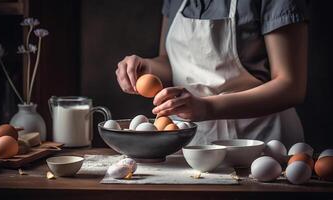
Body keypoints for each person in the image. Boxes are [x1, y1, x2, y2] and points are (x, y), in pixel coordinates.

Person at [115, 0, 308, 147]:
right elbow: (169, 61)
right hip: (193, 142)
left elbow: (291, 86)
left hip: (260, 140)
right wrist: (146, 68)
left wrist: (206, 108)